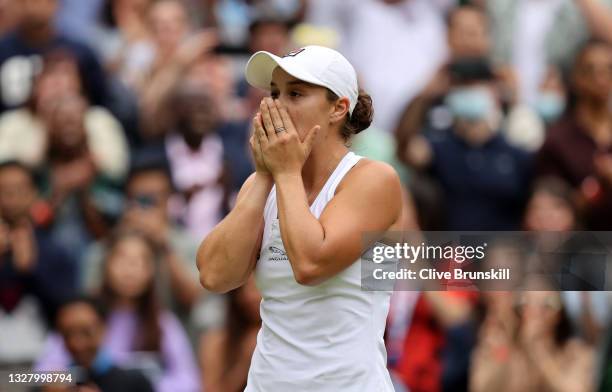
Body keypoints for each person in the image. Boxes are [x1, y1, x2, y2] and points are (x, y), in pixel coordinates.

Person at [197, 45, 403, 391]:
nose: (276, 106)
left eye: (295, 93)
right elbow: (215, 276)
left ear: (338, 108)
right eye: (274, 93)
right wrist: (265, 175)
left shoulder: (374, 179)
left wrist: (285, 172)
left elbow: (310, 264)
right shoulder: (264, 182)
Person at [36, 230, 201, 392]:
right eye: (122, 259)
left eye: (140, 261)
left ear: (152, 271)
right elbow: (39, 373)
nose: (130, 269)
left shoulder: (162, 322)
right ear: (106, 263)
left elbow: (189, 380)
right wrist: (69, 384)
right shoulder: (83, 316)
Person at [0, 160, 77, 367]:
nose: (10, 197)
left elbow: (67, 313)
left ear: (34, 193)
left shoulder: (56, 250)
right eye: (2, 190)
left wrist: (32, 270)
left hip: (43, 366)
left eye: (18, 189)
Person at [536, 39, 612, 230]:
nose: (601, 78)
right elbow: (549, 212)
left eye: (608, 69)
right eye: (591, 70)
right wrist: (598, 188)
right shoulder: (557, 140)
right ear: (576, 77)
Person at [0, 0, 109, 112]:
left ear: (56, 4)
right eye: (26, 2)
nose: (33, 8)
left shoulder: (80, 52)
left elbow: (99, 101)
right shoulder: (3, 50)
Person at [53, 296, 154, 392]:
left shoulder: (135, 381)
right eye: (67, 334)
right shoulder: (56, 379)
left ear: (103, 328)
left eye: (86, 332)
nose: (76, 343)